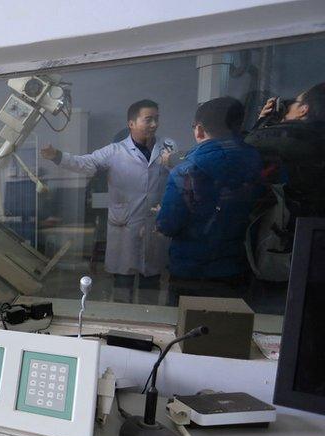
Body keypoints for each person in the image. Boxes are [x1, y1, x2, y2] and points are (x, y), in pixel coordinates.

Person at [41, 99, 172, 301]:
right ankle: (121, 325)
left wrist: (172, 163)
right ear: (132, 123)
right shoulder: (114, 151)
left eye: (156, 119)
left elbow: (180, 174)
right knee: (123, 281)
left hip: (154, 224)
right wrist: (57, 156)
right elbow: (85, 163)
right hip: (125, 224)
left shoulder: (168, 148)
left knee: (151, 280)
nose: (154, 124)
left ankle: (148, 322)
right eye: (148, 120)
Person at [156, 97, 263, 300]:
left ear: (199, 130)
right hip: (238, 268)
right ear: (238, 126)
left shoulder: (186, 171)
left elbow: (168, 224)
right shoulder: (256, 159)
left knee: (189, 328)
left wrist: (161, 214)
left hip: (193, 272)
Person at [246, 82, 325, 220]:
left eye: (293, 103)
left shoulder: (285, 138)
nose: (286, 108)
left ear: (303, 109)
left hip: (288, 229)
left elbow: (242, 154)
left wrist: (263, 125)